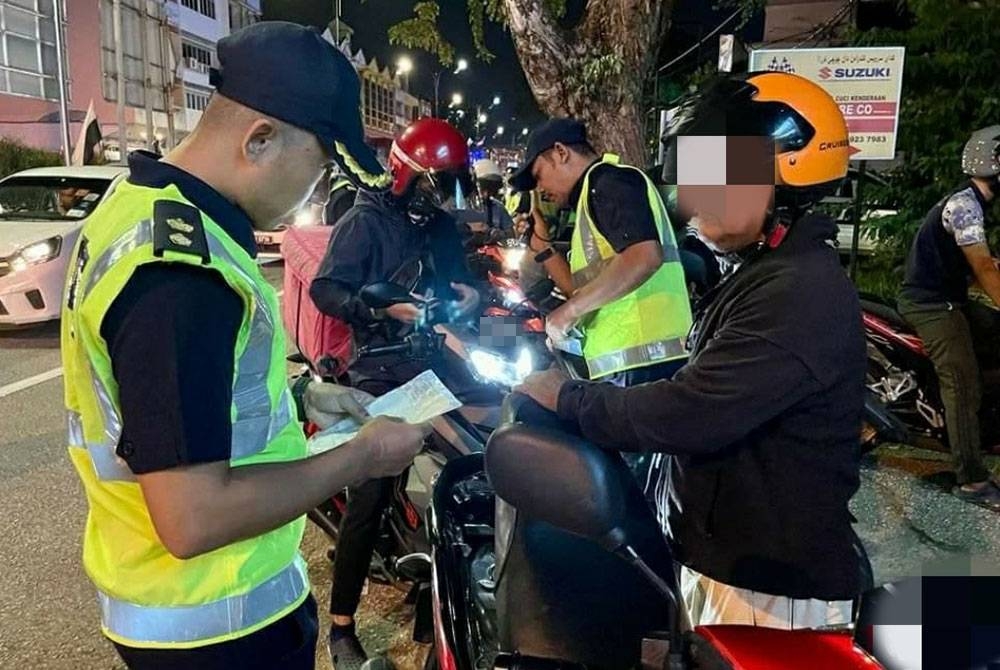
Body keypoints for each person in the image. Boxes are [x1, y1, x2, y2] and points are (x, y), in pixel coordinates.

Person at [60, 22, 429, 670]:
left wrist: (303, 393)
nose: (313, 195)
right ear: (260, 139)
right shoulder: (178, 272)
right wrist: (362, 456)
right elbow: (192, 519)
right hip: (214, 630)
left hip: (191, 612)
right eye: (316, 169)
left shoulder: (144, 203)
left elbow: (178, 399)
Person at [517, 72, 873, 629]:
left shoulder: (796, 292)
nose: (692, 199)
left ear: (786, 174)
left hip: (767, 594)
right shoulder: (764, 274)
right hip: (733, 563)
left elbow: (691, 411)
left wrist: (569, 400)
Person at [308, 117, 480, 670]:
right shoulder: (366, 221)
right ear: (408, 175)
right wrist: (379, 307)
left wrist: (470, 296)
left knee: (487, 446)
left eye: (456, 181)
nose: (448, 195)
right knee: (374, 484)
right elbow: (327, 289)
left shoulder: (441, 227)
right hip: (381, 366)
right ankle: (340, 628)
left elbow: (461, 281)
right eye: (439, 182)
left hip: (436, 356)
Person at [509, 118, 693, 385]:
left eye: (539, 175)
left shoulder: (608, 181)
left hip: (645, 364)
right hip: (623, 365)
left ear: (561, 152)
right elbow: (585, 293)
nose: (540, 188)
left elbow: (644, 255)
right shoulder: (588, 200)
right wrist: (544, 248)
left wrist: (569, 312)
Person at [898, 125, 1000, 510]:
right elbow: (984, 270)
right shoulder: (965, 207)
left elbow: (979, 264)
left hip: (949, 298)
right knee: (962, 381)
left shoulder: (973, 203)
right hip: (929, 304)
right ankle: (972, 478)